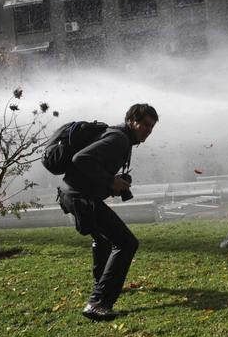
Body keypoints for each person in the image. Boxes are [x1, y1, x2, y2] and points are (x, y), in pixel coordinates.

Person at [58, 104, 158, 320]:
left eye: (151, 127)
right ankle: (98, 302)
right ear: (131, 120)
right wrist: (110, 180)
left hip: (74, 195)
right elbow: (81, 159)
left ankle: (101, 286)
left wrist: (111, 184)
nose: (148, 130)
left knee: (103, 239)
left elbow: (91, 165)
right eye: (145, 125)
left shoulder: (119, 135)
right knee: (127, 243)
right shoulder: (119, 138)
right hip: (80, 198)